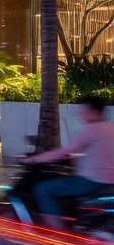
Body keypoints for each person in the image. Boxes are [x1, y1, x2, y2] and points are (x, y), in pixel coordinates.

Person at [21, 95, 114, 230]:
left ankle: (56, 231)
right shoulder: (110, 128)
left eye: (82, 111)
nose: (80, 114)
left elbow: (63, 151)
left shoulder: (91, 129)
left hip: (92, 182)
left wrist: (31, 159)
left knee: (42, 188)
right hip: (109, 182)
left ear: (91, 110)